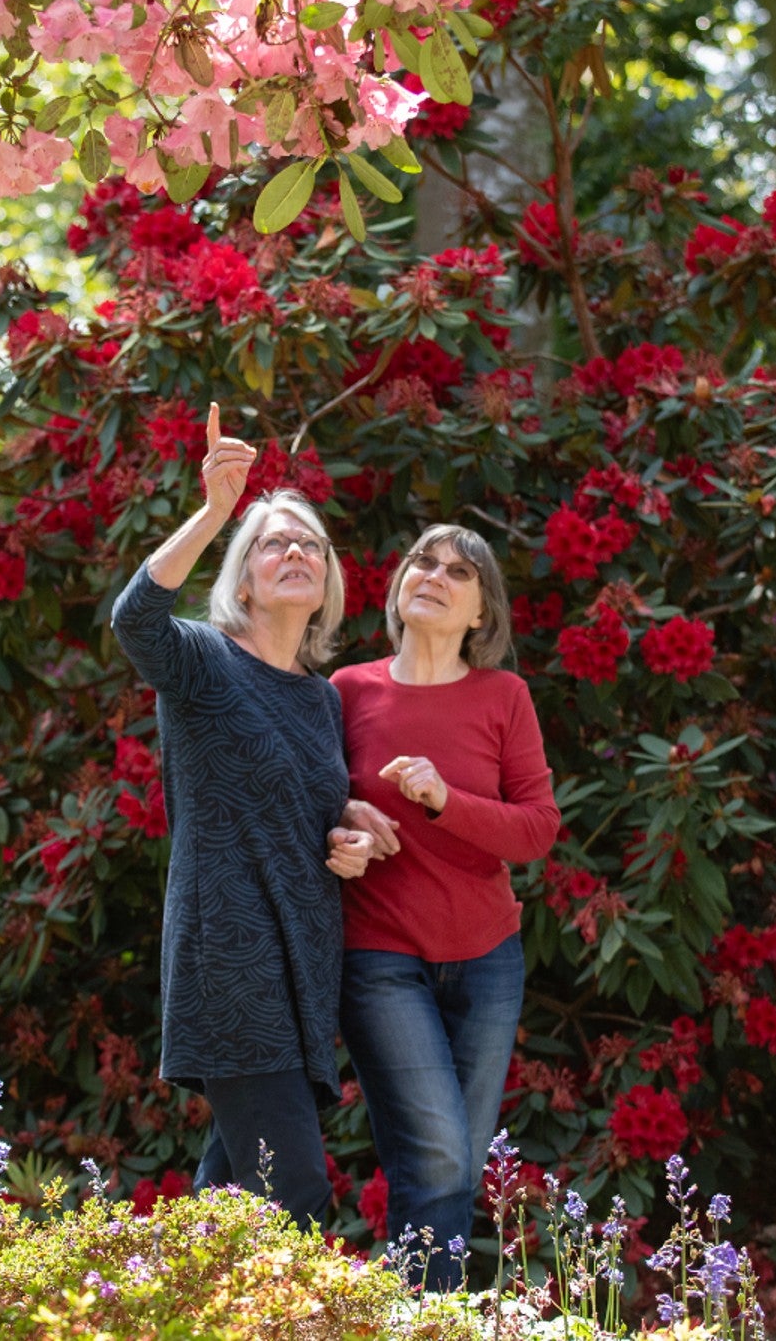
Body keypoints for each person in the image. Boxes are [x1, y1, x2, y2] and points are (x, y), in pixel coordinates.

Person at [109, 403, 383, 1227]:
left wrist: (354, 841)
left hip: (304, 974)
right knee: (294, 1196)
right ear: (244, 574)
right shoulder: (201, 659)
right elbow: (134, 618)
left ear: (328, 579)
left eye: (310, 544)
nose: (295, 551)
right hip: (232, 965)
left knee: (227, 1207)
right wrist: (216, 511)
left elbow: (315, 820)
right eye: (273, 543)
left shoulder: (320, 703)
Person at [331, 524, 558, 1289]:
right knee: (438, 1154)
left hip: (488, 958)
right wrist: (345, 831)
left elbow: (536, 830)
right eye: (423, 561)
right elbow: (312, 811)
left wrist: (441, 800)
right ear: (400, 587)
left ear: (480, 616)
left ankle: (420, 1314)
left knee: (453, 1164)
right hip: (381, 955)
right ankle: (433, 1318)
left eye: (459, 572)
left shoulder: (504, 697)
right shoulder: (347, 693)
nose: (435, 574)